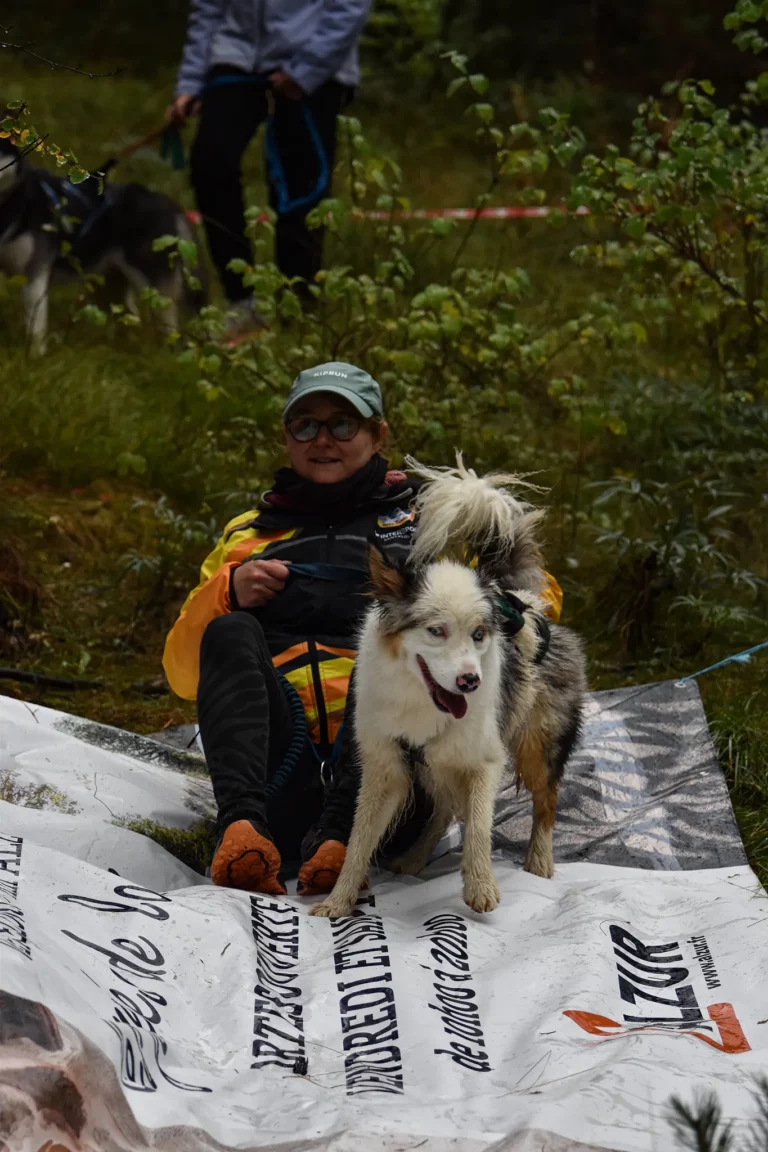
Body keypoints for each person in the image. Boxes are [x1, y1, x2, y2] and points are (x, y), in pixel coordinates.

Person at [162, 361, 564, 896]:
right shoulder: (246, 537)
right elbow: (182, 672)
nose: (323, 439)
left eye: (343, 425)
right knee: (229, 630)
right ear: (287, 437)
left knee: (378, 640)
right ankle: (242, 832)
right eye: (305, 425)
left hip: (400, 782)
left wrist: (502, 610)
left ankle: (339, 838)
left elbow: (539, 601)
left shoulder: (428, 528)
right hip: (281, 776)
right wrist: (227, 593)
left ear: (378, 436)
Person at [165, 0, 372, 330]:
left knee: (298, 189)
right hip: (236, 56)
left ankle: (299, 315)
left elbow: (349, 7)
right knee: (210, 163)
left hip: (315, 62)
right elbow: (208, 9)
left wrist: (307, 71)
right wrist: (191, 83)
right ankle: (242, 304)